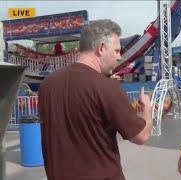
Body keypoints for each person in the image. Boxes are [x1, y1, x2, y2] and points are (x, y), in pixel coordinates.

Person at [39, 19, 153, 180]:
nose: (119, 57)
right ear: (101, 48)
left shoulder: (47, 85)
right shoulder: (107, 88)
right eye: (117, 50)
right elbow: (141, 136)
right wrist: (147, 108)